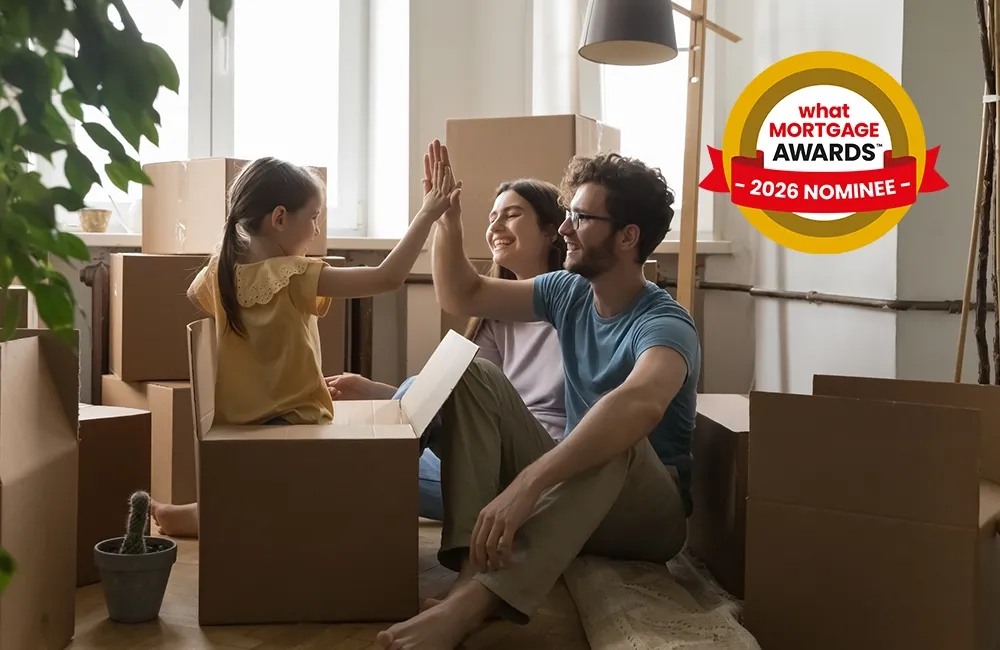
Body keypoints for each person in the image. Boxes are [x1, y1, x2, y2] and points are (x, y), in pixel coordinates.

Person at [375, 146, 700, 650]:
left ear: (628, 236)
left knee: (613, 433)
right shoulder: (567, 292)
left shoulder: (664, 323)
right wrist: (448, 221)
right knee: (472, 372)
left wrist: (529, 483)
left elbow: (641, 403)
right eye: (568, 215)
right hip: (580, 492)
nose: (566, 228)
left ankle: (474, 603)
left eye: (583, 217)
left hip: (647, 517)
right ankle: (470, 568)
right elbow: (462, 295)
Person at [150, 145, 461, 538]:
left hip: (237, 426)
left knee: (269, 498)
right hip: (296, 421)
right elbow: (388, 277)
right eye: (313, 218)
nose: (316, 230)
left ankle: (201, 513)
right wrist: (427, 214)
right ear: (279, 218)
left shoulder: (218, 272)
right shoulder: (293, 274)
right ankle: (204, 514)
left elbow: (200, 300)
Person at [326, 177, 569, 522]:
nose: (496, 226)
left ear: (551, 231)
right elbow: (462, 396)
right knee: (361, 461)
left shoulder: (575, 304)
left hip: (540, 467)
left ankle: (364, 484)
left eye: (511, 215)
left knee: (378, 472)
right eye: (491, 217)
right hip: (490, 453)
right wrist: (379, 392)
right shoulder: (496, 314)